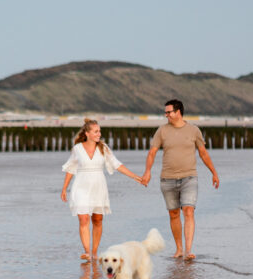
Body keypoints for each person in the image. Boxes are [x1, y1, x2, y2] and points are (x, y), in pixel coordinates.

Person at [141, 99, 219, 261]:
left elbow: (203, 153)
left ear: (178, 112)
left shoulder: (194, 130)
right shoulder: (162, 131)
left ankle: (188, 250)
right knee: (174, 213)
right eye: (166, 112)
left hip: (189, 178)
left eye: (169, 112)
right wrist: (147, 172)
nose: (166, 115)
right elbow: (152, 152)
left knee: (188, 211)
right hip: (167, 179)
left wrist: (213, 172)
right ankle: (179, 249)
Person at [61, 118, 144, 261]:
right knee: (83, 218)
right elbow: (70, 168)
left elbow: (117, 165)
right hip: (81, 186)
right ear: (87, 133)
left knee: (98, 220)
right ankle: (87, 252)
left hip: (98, 186)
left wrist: (136, 177)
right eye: (96, 131)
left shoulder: (103, 148)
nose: (99, 134)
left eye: (99, 131)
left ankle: (94, 252)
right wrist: (64, 189)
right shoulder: (78, 149)